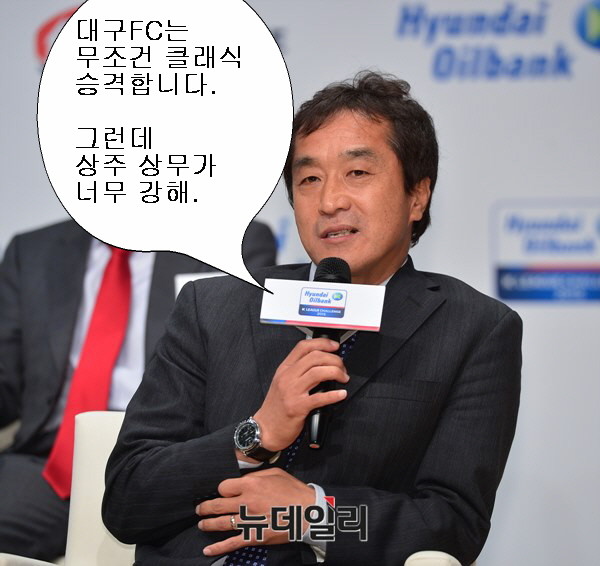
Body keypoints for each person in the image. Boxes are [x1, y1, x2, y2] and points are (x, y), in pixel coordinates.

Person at [102, 71, 522, 566]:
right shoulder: (212, 306)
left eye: (357, 173)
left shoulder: (474, 329)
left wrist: (312, 516)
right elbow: (126, 500)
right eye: (309, 179)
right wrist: (255, 436)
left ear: (417, 195)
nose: (329, 201)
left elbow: (453, 526)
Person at [0, 217, 277, 560]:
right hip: (48, 467)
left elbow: (242, 375)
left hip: (168, 463)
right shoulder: (32, 250)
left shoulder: (231, 241)